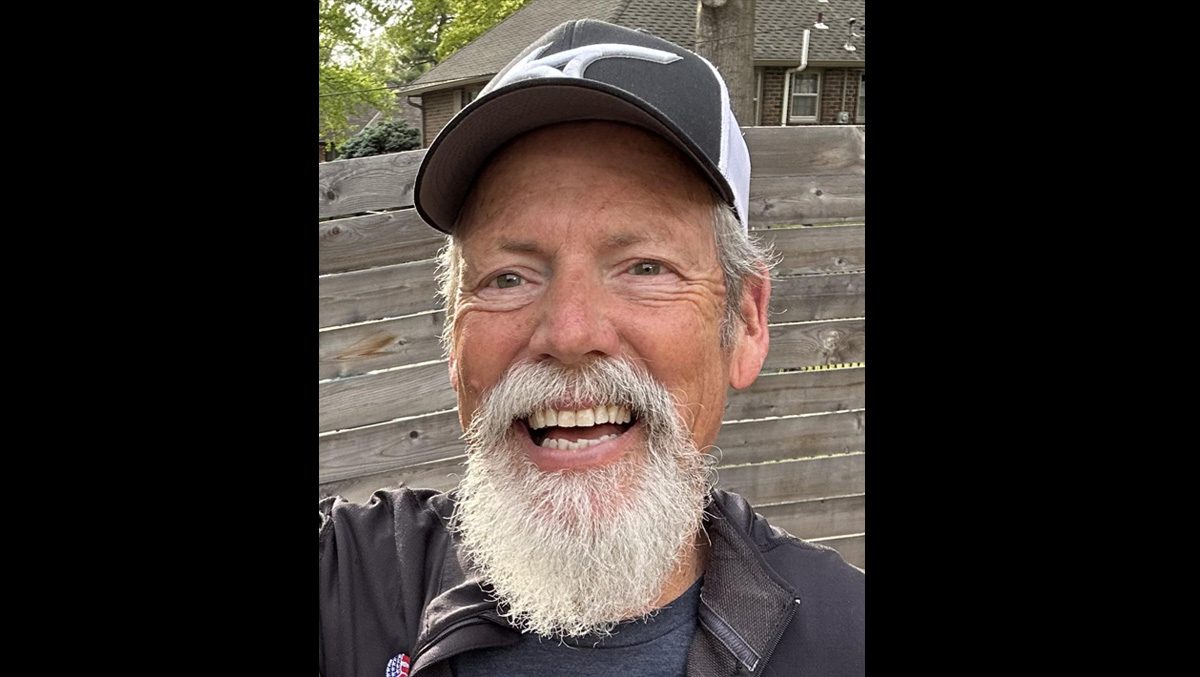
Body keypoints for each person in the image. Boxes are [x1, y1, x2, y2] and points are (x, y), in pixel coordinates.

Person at [319, 19, 864, 677]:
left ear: (744, 321)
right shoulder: (347, 579)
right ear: (453, 338)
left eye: (643, 267)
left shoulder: (846, 637)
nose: (571, 333)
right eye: (508, 277)